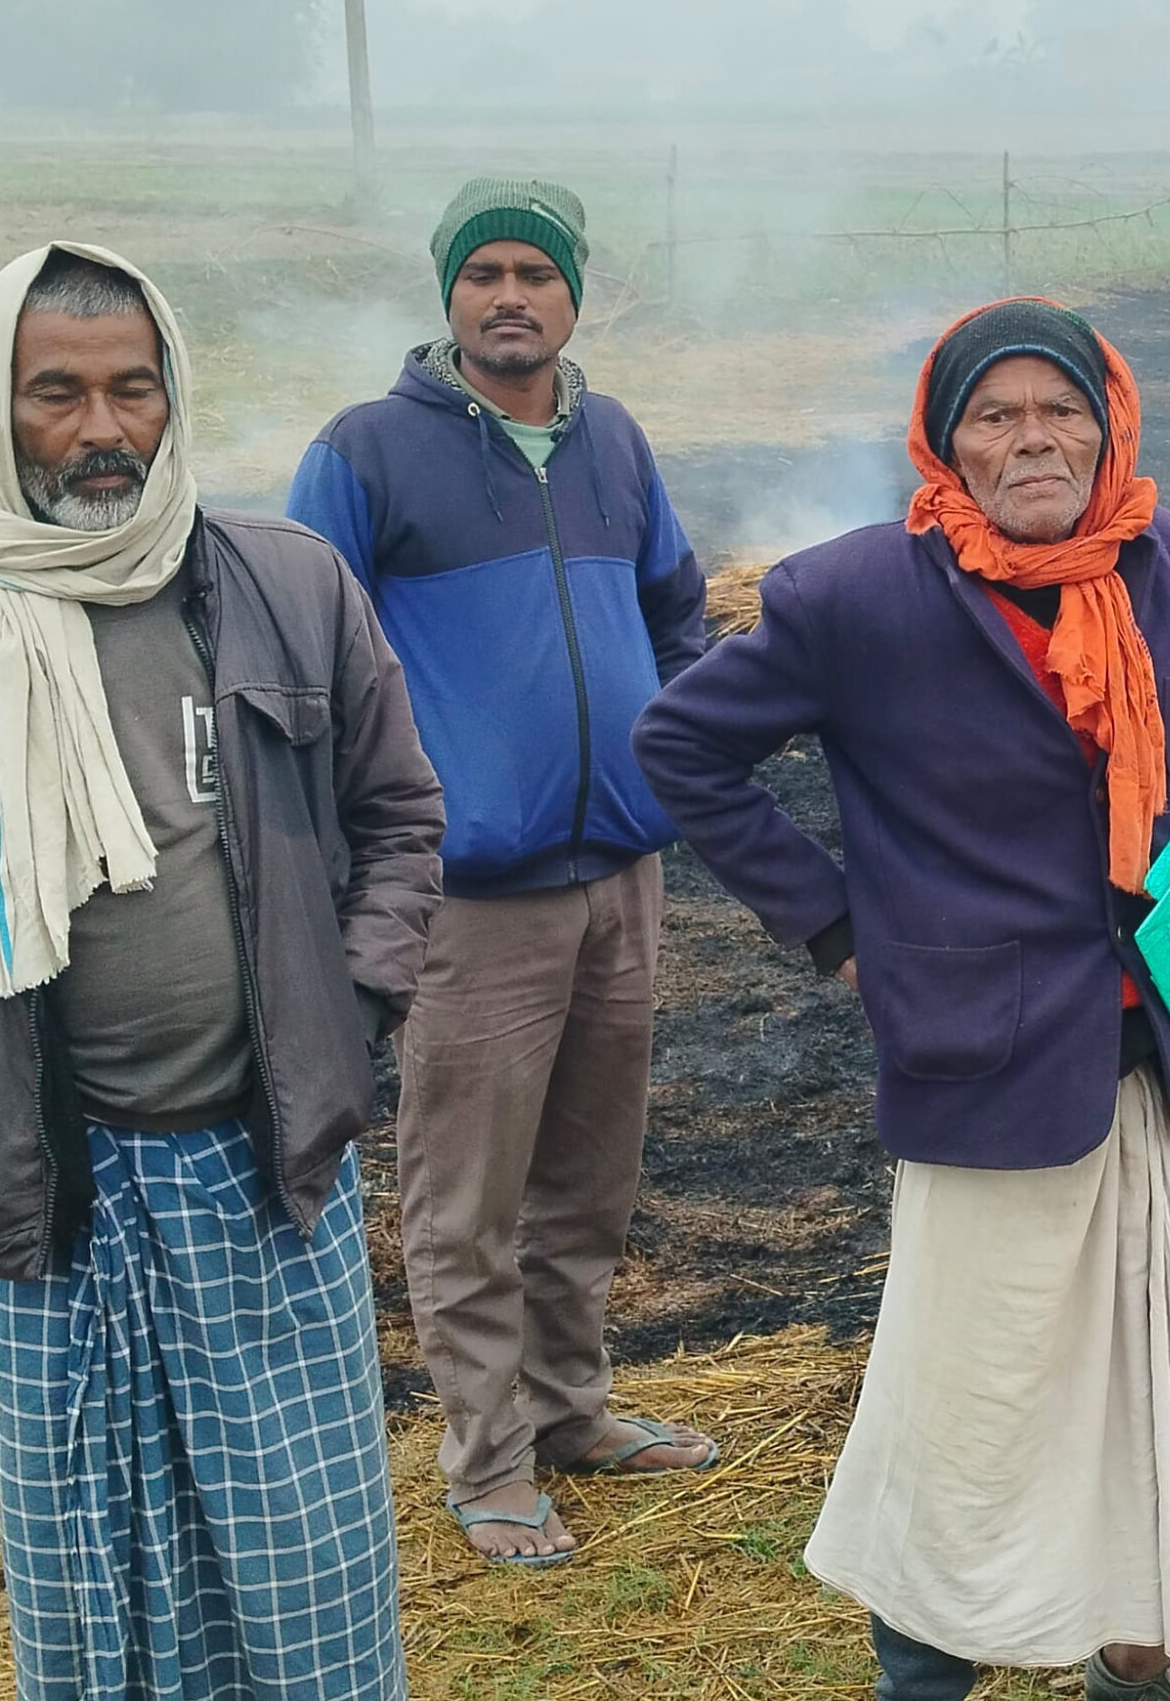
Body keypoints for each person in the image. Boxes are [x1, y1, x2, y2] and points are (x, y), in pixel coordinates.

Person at [0, 243, 442, 1700]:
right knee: (97, 1608)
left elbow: (399, 820)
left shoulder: (285, 585)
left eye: (133, 389)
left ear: (172, 396)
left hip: (266, 1178)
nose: (100, 430)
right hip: (47, 1198)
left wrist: (349, 1018)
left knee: (310, 1590)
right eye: (57, 393)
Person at [635, 300, 1170, 1701]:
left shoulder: (1159, 553)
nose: (1032, 439)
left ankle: (1145, 1649)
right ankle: (921, 1672)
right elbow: (680, 747)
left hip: (1159, 1026)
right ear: (945, 440)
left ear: (1107, 424)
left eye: (1060, 410)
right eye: (996, 415)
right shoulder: (853, 598)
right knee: (978, 1397)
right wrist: (835, 927)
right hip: (986, 1047)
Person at [288, 178, 715, 1567]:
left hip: (620, 877)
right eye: (485, 274)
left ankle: (572, 1407)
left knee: (589, 1177)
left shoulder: (617, 442)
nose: (511, 295)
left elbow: (677, 613)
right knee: (466, 1197)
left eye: (537, 272)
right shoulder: (364, 453)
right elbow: (304, 663)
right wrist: (375, 844)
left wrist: (676, 759)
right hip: (468, 897)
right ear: (449, 294)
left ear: (575, 294)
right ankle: (487, 1461)